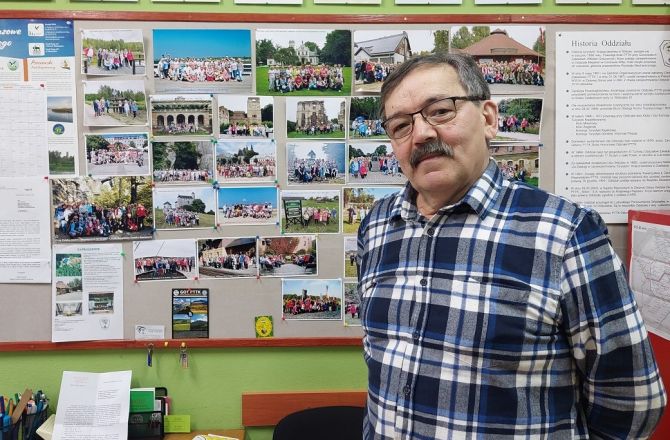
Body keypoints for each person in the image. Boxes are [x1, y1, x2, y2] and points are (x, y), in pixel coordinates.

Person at [356, 53, 666, 439]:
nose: (420, 134)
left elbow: (632, 401)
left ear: (488, 118)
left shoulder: (565, 234)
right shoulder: (377, 227)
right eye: (401, 125)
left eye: (440, 110)